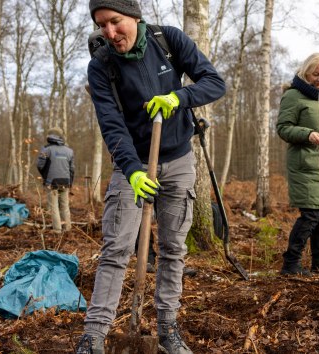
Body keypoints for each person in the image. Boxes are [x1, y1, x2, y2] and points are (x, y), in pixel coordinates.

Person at [77, 1, 226, 353]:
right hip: (133, 165)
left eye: (116, 22)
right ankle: (94, 335)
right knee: (116, 248)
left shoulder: (167, 40)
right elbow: (112, 126)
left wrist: (179, 97)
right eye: (102, 25)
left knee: (173, 249)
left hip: (178, 161)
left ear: (135, 17)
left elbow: (214, 82)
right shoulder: (101, 66)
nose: (110, 33)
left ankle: (167, 329)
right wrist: (132, 171)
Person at [276, 53, 319, 276]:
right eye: (316, 74)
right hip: (305, 165)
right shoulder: (293, 96)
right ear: (306, 72)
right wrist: (307, 133)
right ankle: (291, 263)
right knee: (311, 215)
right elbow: (283, 128)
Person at [36, 127, 74, 233]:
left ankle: (57, 230)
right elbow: (72, 169)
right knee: (65, 206)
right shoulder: (69, 151)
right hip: (66, 182)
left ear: (49, 136)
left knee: (54, 206)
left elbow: (40, 165)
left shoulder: (46, 149)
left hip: (51, 182)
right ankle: (67, 228)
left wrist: (45, 177)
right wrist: (70, 183)